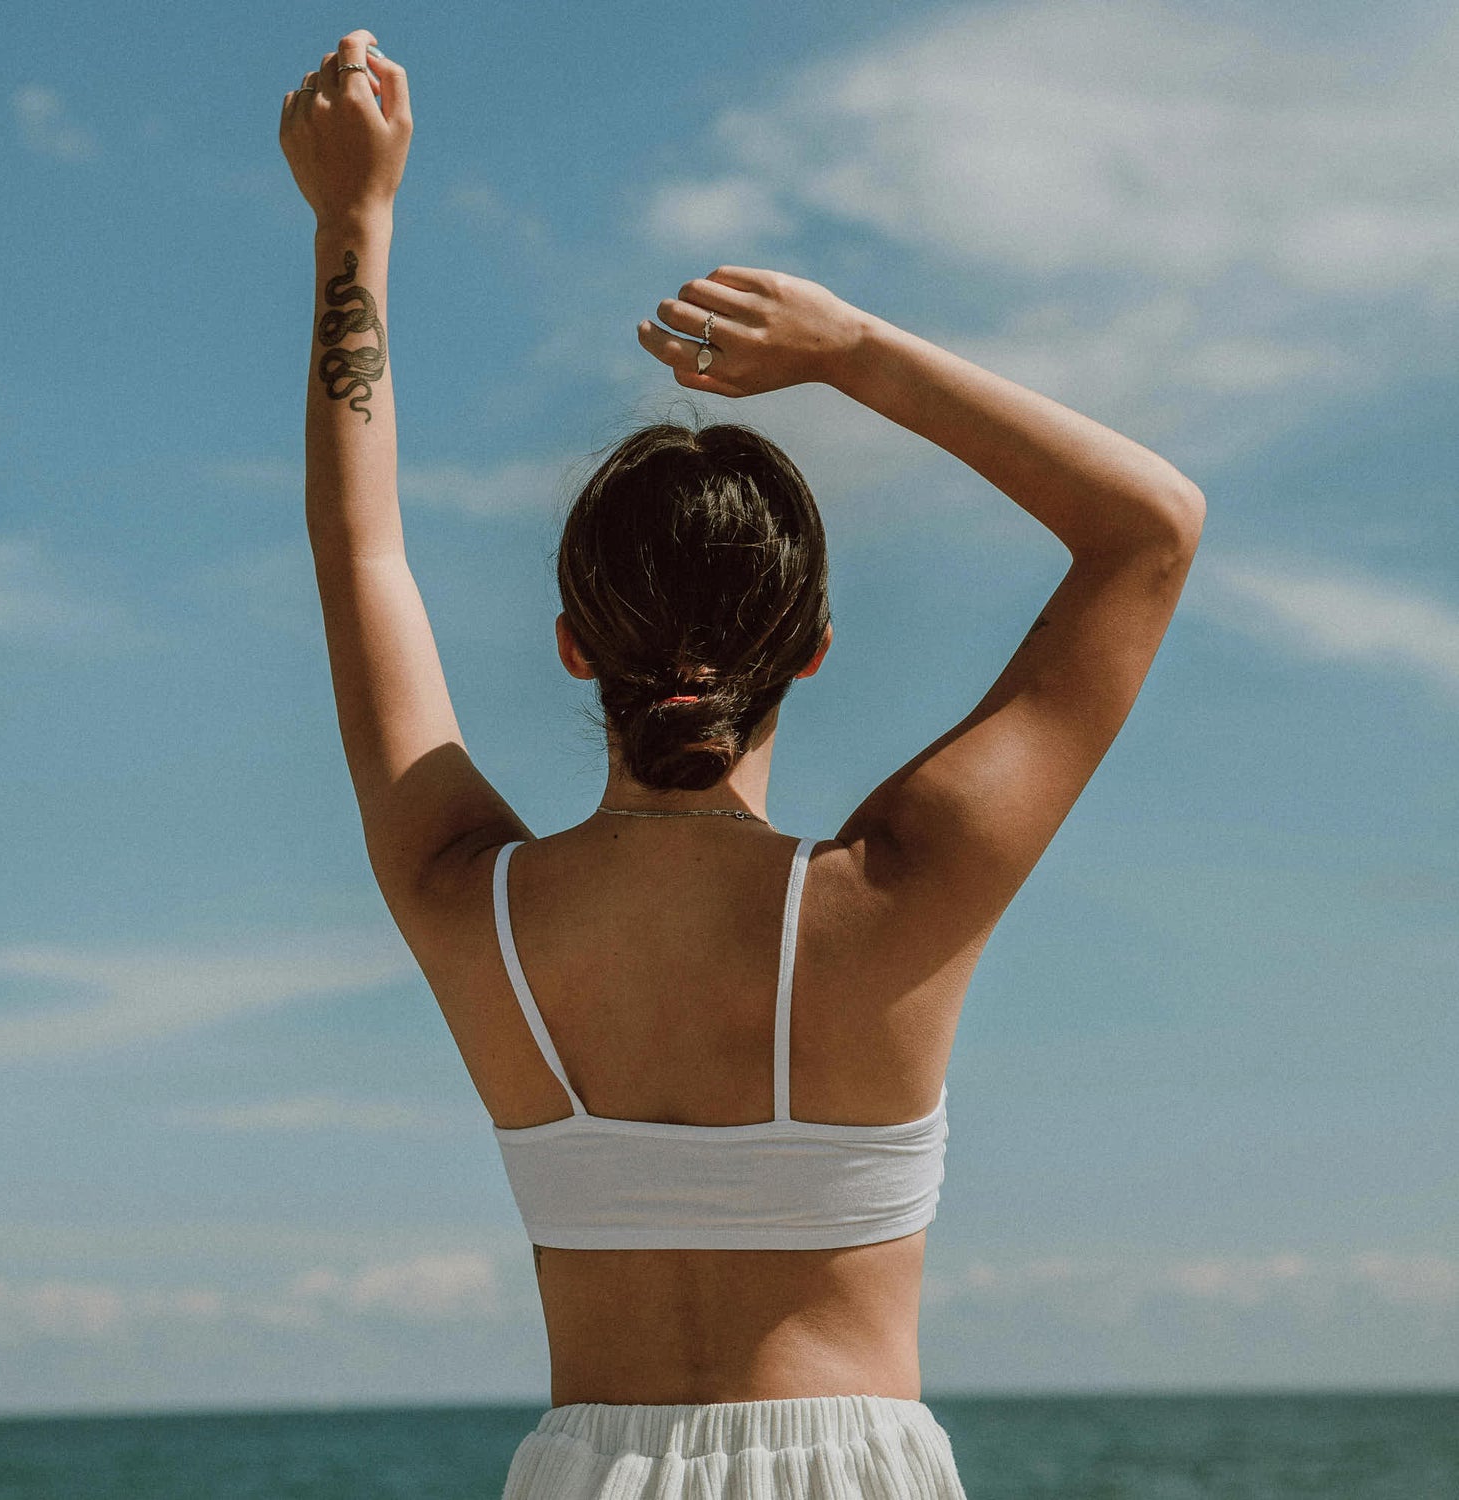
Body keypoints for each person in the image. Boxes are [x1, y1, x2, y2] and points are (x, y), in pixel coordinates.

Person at [280, 30, 1205, 1500]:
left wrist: (353, 222)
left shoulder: (472, 902)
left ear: (577, 646)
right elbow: (1149, 527)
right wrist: (853, 352)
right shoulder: (896, 891)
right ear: (817, 646)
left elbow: (362, 555)